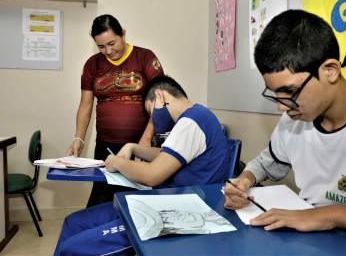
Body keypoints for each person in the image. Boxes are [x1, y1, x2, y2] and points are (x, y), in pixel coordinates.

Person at [223, 9, 346, 255]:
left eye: (290, 91)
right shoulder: (293, 120)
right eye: (274, 93)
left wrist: (335, 214)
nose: (281, 105)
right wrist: (244, 181)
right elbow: (267, 163)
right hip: (307, 243)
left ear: (330, 70)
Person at [54, 75, 229, 255]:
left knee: (72, 250)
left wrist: (117, 162)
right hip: (162, 203)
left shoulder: (191, 122)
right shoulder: (196, 117)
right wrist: (133, 147)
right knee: (73, 222)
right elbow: (166, 156)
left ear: (160, 96)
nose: (153, 120)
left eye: (150, 111)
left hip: (178, 214)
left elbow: (152, 175)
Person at [65, 14, 164, 207]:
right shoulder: (92, 64)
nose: (108, 51)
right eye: (101, 47)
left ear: (123, 34)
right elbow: (85, 104)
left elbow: (160, 100)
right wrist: (78, 138)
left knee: (137, 203)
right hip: (105, 146)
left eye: (112, 43)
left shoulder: (145, 57)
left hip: (140, 145)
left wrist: (146, 139)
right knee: (102, 201)